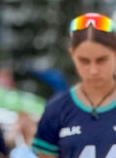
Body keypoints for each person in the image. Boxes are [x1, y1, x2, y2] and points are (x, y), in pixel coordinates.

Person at [32, 13, 116, 158]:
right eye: (84, 61)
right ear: (72, 55)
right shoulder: (56, 109)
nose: (93, 70)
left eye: (101, 60)